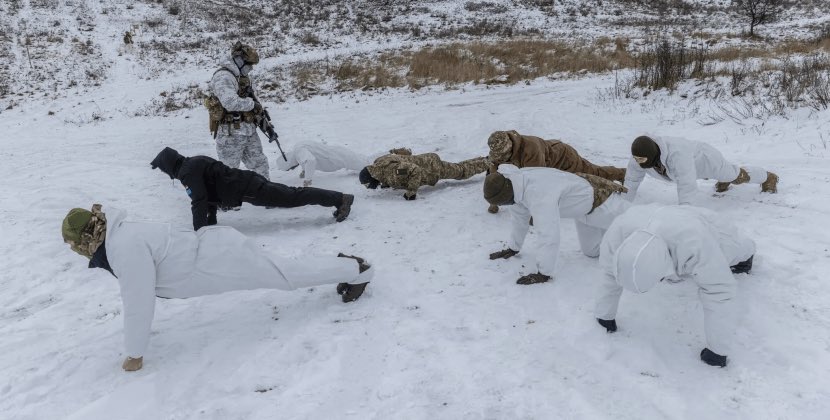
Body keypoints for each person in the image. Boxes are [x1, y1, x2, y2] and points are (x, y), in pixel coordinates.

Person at [61, 204, 373, 372]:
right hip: (215, 255)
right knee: (286, 271)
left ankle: (355, 269)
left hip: (220, 261)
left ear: (87, 237)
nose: (77, 251)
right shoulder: (121, 235)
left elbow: (138, 302)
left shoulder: (123, 248)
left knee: (287, 275)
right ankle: (344, 265)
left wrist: (134, 354)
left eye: (74, 245)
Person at [594, 204, 756, 368]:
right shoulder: (617, 233)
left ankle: (748, 254)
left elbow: (719, 291)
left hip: (705, 223)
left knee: (733, 251)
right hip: (656, 215)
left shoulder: (695, 242)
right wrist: (604, 316)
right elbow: (609, 272)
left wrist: (717, 350)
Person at [484, 164, 630, 285]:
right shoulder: (513, 186)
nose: (506, 206)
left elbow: (548, 235)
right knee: (591, 252)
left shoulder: (539, 194)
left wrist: (543, 273)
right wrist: (513, 247)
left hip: (602, 201)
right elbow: (519, 220)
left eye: (505, 202)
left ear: (508, 193)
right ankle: (612, 234)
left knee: (640, 227)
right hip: (581, 212)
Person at [151, 147, 353, 230]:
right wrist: (209, 226)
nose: (164, 173)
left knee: (293, 197)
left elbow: (199, 200)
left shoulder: (188, 172)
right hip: (248, 182)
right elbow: (209, 197)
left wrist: (198, 231)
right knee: (293, 195)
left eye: (162, 170)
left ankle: (340, 199)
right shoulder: (193, 162)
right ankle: (338, 199)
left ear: (168, 166)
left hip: (249, 188)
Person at [486, 130, 626, 213]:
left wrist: (536, 214)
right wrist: (494, 201)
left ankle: (622, 174)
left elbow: (537, 184)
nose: (501, 159)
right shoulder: (499, 149)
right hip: (548, 160)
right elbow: (494, 173)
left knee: (593, 174)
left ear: (510, 147)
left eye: (504, 156)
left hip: (563, 158)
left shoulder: (531, 149)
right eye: (499, 157)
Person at [624, 135, 778, 205]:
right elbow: (631, 182)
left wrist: (686, 218)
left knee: (734, 174)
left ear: (653, 155)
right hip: (691, 167)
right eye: (637, 160)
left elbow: (687, 187)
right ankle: (724, 180)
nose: (639, 163)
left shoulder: (678, 155)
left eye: (642, 160)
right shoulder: (638, 159)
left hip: (706, 160)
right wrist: (620, 208)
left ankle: (767, 177)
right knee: (728, 176)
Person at [205, 41, 270, 179]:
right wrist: (252, 105)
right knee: (228, 171)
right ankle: (225, 200)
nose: (251, 68)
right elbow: (230, 103)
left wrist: (259, 114)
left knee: (260, 164)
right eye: (249, 65)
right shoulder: (223, 76)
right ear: (239, 60)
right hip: (231, 133)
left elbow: (251, 99)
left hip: (248, 129)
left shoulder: (241, 77)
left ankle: (267, 193)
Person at [359, 148, 489, 200]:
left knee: (461, 172)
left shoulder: (393, 173)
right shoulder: (378, 163)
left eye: (367, 184)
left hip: (432, 168)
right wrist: (386, 183)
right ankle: (482, 160)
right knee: (458, 167)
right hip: (427, 159)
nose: (368, 187)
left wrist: (411, 191)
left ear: (373, 177)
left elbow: (414, 170)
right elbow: (393, 159)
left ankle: (488, 163)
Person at [274, 141, 370, 187]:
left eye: (290, 168)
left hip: (336, 160)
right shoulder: (298, 146)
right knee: (362, 159)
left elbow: (311, 161)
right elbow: (307, 157)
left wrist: (308, 180)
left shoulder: (299, 152)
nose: (292, 169)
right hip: (335, 152)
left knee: (367, 167)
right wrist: (304, 170)